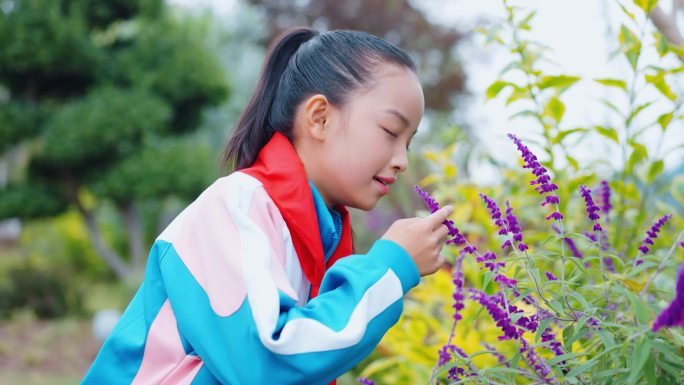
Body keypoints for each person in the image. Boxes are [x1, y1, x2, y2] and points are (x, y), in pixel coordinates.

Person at [82, 27, 452, 385]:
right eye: (390, 132)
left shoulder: (317, 232)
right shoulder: (236, 205)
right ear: (319, 117)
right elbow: (264, 363)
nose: (402, 160)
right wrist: (392, 266)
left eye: (409, 142)